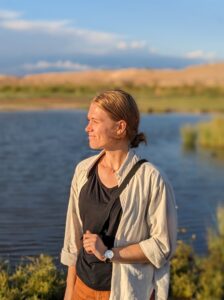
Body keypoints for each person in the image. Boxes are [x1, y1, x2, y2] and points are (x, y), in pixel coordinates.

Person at [60, 89, 177, 300]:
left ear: (120, 127)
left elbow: (161, 246)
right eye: (88, 120)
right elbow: (73, 234)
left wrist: (108, 253)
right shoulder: (83, 171)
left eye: (95, 121)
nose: (87, 128)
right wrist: (70, 290)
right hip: (82, 288)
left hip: (126, 291)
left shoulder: (152, 179)